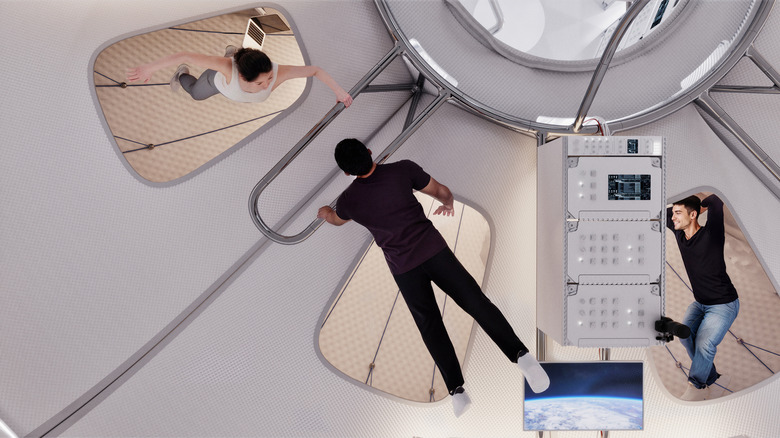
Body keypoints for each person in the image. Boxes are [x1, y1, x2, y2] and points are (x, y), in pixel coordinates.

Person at [317, 138, 549, 417]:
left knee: (430, 325)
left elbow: (336, 220)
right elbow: (440, 191)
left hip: (404, 269)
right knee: (475, 301)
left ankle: (457, 390)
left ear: (346, 172)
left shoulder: (349, 200)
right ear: (369, 152)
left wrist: (325, 212)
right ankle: (523, 357)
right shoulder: (403, 170)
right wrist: (447, 202)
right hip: (434, 252)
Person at [667, 194, 739, 401]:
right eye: (674, 213)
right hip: (700, 303)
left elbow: (716, 200)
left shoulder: (712, 234)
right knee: (685, 335)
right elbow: (662, 213)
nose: (673, 217)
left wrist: (700, 204)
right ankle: (712, 378)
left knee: (705, 344)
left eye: (678, 213)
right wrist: (682, 208)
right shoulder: (679, 233)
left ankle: (697, 386)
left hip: (724, 304)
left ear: (693, 215)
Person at [126, 46, 352, 106]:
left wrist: (339, 91)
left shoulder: (277, 72)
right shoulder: (227, 69)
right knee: (196, 94)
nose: (267, 86)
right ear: (242, 77)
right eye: (259, 82)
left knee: (236, 57)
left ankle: (234, 51)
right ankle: (181, 75)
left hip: (232, 77)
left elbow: (315, 70)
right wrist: (150, 67)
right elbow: (185, 54)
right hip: (216, 82)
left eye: (269, 78)